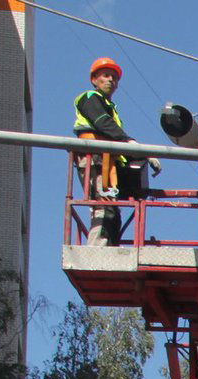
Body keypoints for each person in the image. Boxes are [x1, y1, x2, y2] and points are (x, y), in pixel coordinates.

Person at [72, 56, 153, 246]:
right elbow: (101, 122)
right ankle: (96, 250)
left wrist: (145, 155)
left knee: (112, 209)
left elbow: (114, 137)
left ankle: (108, 248)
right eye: (106, 75)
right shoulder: (90, 98)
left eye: (114, 78)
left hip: (107, 161)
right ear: (94, 80)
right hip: (94, 158)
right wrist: (129, 141)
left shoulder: (110, 108)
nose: (111, 80)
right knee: (104, 205)